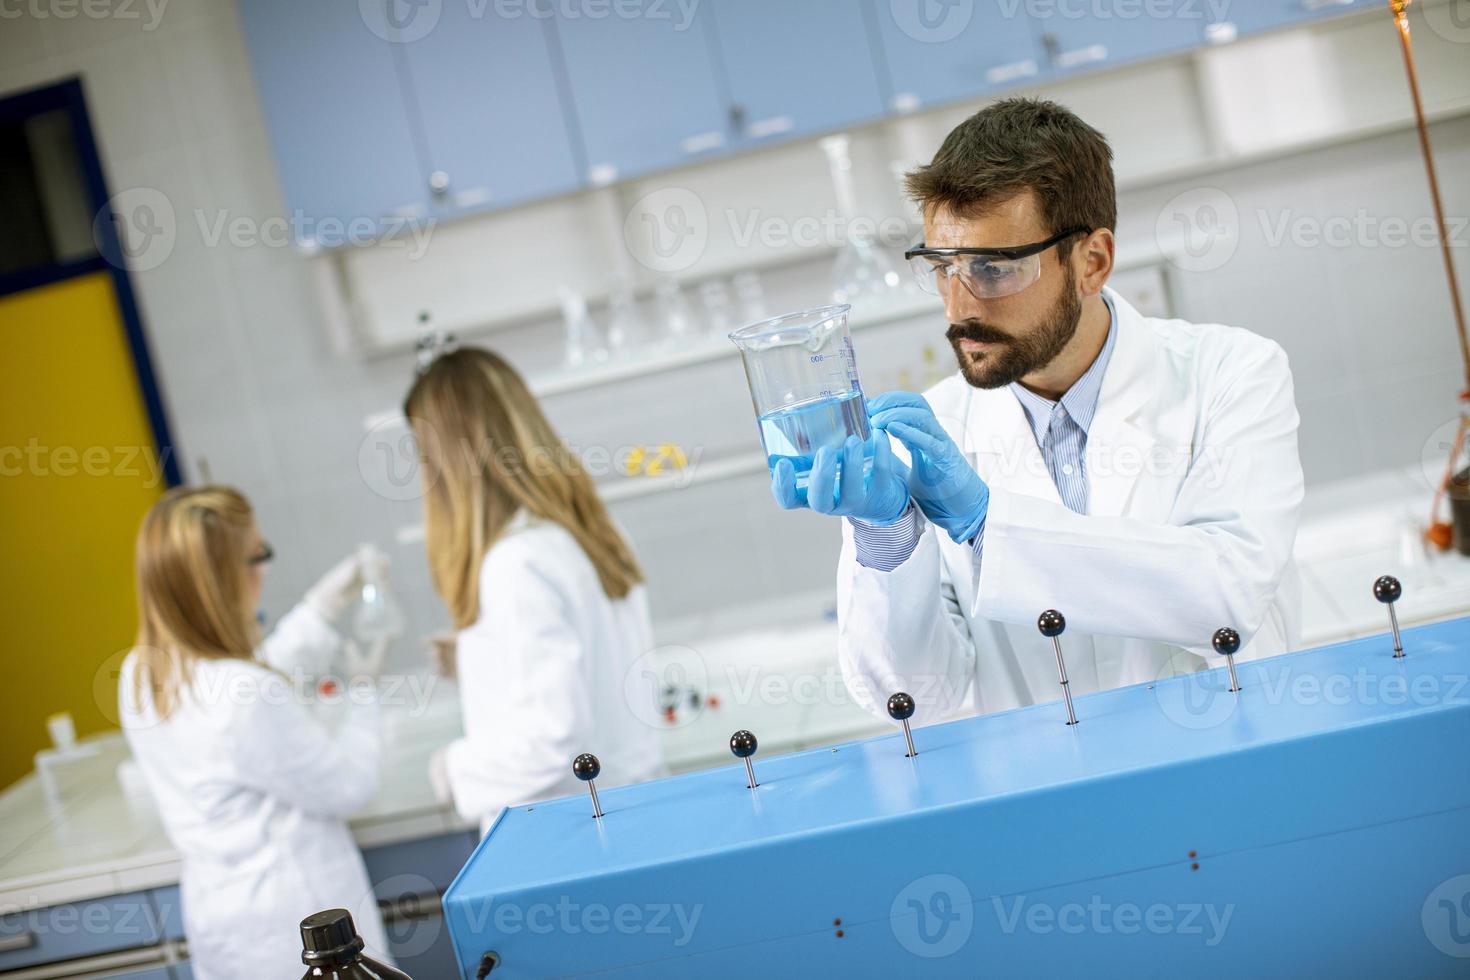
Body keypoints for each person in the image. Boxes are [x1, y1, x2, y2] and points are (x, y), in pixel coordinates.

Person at [771, 98, 1303, 721]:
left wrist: (986, 523)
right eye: (943, 269)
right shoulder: (932, 438)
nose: (958, 309)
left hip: (1230, 785)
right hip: (1050, 804)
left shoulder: (1231, 375)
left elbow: (1229, 595)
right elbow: (915, 698)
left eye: (993, 269)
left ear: (1092, 261)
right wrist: (889, 539)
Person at [119, 486, 393, 979]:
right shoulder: (243, 694)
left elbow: (236, 690)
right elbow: (348, 787)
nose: (264, 570)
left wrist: (320, 609)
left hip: (223, 923)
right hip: (296, 922)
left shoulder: (140, 673)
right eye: (258, 555)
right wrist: (364, 695)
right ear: (223, 579)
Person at [405, 346, 666, 834]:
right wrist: (479, 659)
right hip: (630, 816)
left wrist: (453, 767)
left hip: (566, 837)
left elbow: (552, 736)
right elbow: (590, 671)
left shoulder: (514, 564)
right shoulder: (589, 536)